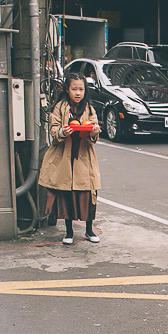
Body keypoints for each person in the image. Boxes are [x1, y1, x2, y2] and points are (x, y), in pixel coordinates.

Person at [39, 72, 101, 245]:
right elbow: (53, 130)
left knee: (88, 194)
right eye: (74, 89)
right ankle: (69, 232)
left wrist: (94, 133)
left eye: (81, 89)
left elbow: (94, 128)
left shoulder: (88, 108)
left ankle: (89, 230)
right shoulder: (60, 107)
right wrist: (62, 132)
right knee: (67, 195)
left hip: (84, 157)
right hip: (65, 157)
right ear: (67, 89)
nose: (78, 93)